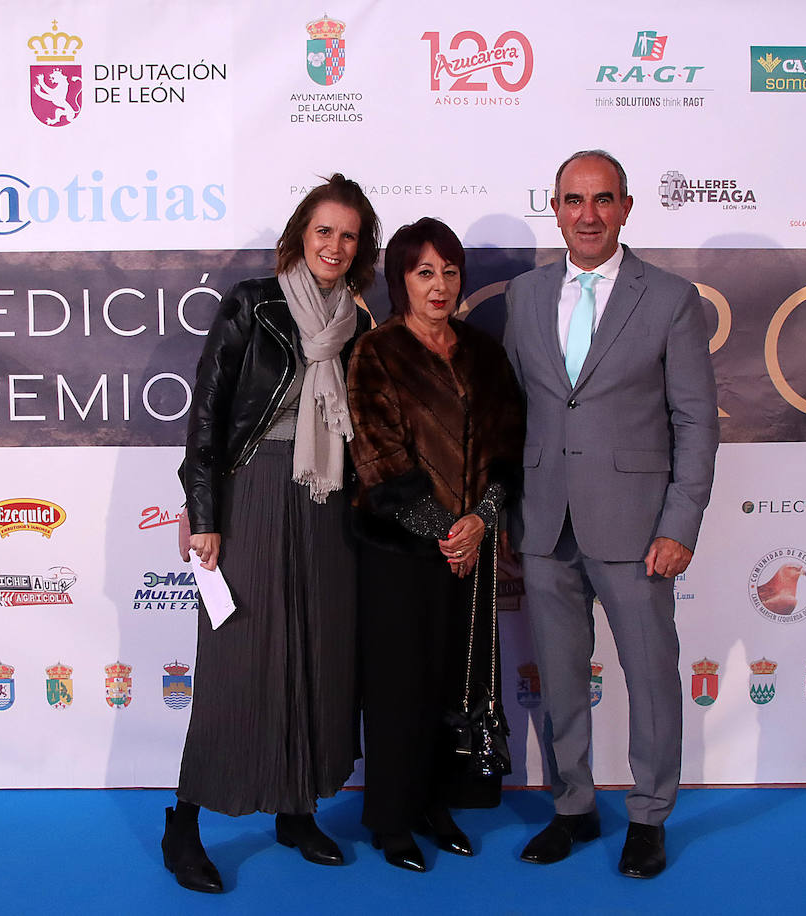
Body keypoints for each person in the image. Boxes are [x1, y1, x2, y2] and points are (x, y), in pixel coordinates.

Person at [503, 150, 718, 878]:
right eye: (572, 200)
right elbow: (514, 415)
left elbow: (696, 422)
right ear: (555, 208)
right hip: (543, 522)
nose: (587, 214)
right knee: (561, 676)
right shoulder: (525, 297)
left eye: (602, 200)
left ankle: (650, 814)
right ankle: (574, 806)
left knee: (651, 673)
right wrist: (504, 514)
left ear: (626, 207)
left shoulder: (669, 298)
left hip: (638, 528)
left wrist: (679, 524)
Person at [164, 174, 381, 893]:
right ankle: (186, 822)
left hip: (326, 504)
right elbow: (207, 415)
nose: (335, 245)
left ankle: (296, 809)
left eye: (348, 235)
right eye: (324, 231)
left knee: (317, 660)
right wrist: (205, 517)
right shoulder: (252, 305)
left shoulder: (358, 324)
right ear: (300, 234)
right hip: (253, 491)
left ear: (360, 248)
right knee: (237, 666)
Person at [346, 217, 524, 872]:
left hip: (470, 551)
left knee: (456, 681)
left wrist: (482, 519)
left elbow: (509, 445)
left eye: (449, 271)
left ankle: (434, 804)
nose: (440, 284)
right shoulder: (377, 352)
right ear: (401, 280)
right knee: (398, 686)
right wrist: (444, 532)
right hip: (399, 553)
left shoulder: (483, 352)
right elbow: (377, 455)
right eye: (425, 272)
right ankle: (392, 819)